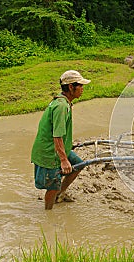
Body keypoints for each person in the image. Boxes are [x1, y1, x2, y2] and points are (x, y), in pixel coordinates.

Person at [31, 70, 91, 210]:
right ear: (71, 87)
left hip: (57, 147)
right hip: (50, 151)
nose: (82, 89)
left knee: (78, 164)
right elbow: (56, 136)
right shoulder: (61, 106)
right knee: (53, 185)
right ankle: (49, 212)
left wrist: (68, 145)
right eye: (80, 86)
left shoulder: (64, 102)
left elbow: (59, 133)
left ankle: (60, 193)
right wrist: (64, 160)